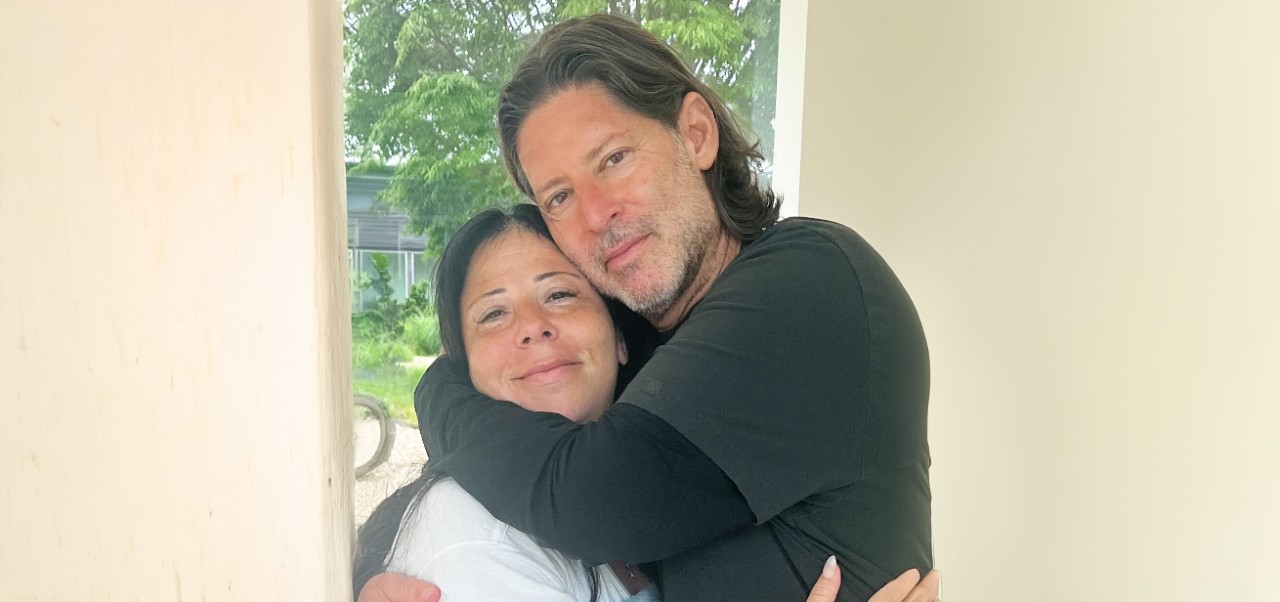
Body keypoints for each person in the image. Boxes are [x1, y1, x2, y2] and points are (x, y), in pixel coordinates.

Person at [365, 13, 936, 602]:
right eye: (559, 196)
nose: (595, 214)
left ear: (695, 133)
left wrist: (442, 392)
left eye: (613, 159)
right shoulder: (654, 343)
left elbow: (590, 501)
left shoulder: (812, 282)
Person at [352, 205, 935, 602]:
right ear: (466, 366)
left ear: (622, 337)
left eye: (560, 293)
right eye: (493, 314)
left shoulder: (655, 491)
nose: (532, 328)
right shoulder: (474, 538)